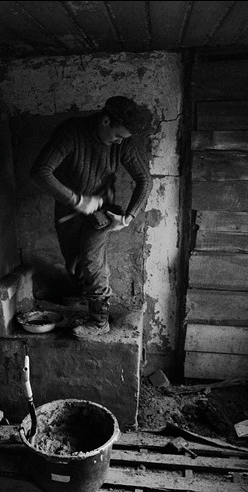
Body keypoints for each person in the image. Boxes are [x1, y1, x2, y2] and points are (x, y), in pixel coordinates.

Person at [30, 96, 153, 339]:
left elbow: (145, 181)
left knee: (92, 262)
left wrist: (127, 218)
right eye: (118, 135)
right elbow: (40, 172)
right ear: (105, 121)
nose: (119, 142)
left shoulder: (123, 144)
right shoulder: (71, 133)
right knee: (73, 261)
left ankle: (99, 321)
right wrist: (77, 200)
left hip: (102, 213)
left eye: (123, 138)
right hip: (68, 209)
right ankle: (85, 298)